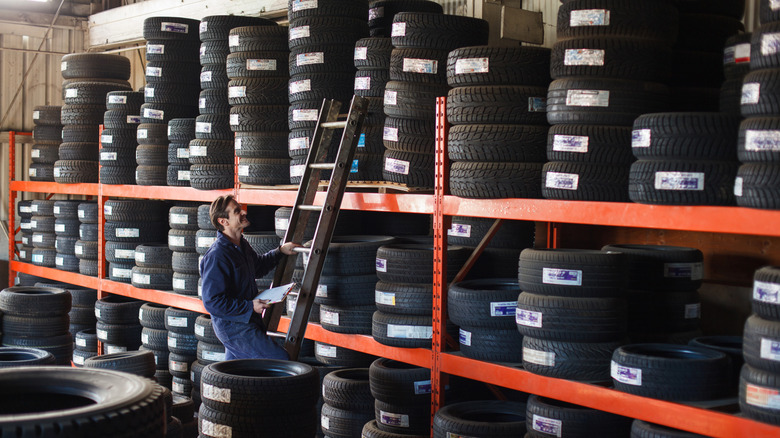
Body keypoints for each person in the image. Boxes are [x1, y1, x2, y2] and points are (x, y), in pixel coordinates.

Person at [200, 195, 300, 360]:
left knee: (236, 375)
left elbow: (258, 267)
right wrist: (249, 306)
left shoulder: (241, 245)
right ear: (223, 221)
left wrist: (280, 251)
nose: (244, 211)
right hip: (234, 328)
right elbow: (212, 302)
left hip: (247, 321)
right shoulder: (217, 256)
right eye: (237, 211)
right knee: (281, 360)